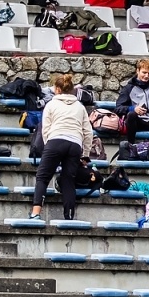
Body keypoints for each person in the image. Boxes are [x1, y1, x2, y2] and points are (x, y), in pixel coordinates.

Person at [31, 74, 94, 221]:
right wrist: (85, 154)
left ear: (57, 89)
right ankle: (69, 216)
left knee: (42, 177)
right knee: (68, 179)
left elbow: (45, 129)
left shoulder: (51, 104)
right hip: (75, 144)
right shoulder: (80, 107)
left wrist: (49, 148)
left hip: (56, 140)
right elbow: (88, 132)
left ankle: (35, 212)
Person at [116, 59, 149, 138]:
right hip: (137, 122)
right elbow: (118, 108)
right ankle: (130, 145)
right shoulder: (128, 89)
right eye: (144, 72)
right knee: (131, 115)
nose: (146, 76)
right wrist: (133, 109)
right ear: (137, 71)